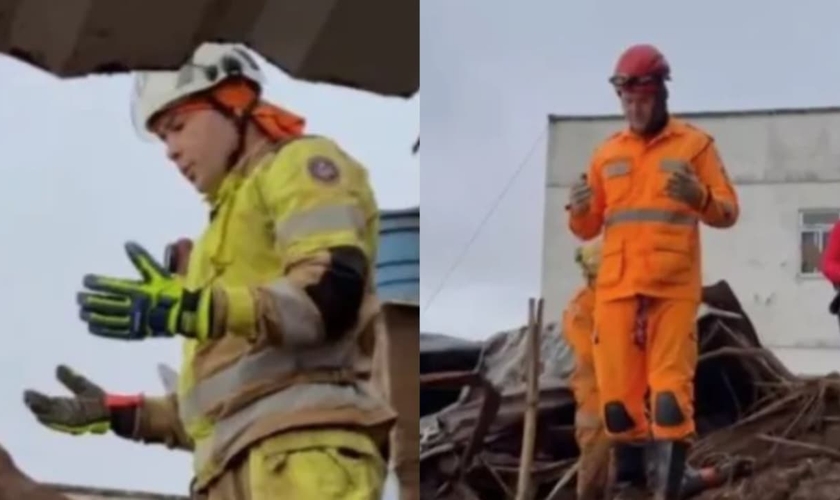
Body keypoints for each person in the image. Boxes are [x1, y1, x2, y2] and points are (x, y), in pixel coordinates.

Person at [25, 43, 396, 500]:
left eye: (178, 127)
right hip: (239, 469)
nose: (171, 151)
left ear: (235, 101)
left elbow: (329, 295)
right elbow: (227, 403)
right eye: (162, 138)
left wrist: (196, 308)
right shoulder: (219, 231)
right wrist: (121, 413)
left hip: (304, 458)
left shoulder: (297, 166)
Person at [566, 44, 739, 499]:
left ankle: (667, 488)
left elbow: (728, 211)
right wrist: (579, 210)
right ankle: (629, 487)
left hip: (671, 289)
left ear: (660, 94)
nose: (634, 110)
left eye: (641, 100)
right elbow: (586, 228)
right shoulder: (606, 155)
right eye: (626, 101)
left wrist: (700, 197)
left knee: (668, 400)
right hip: (617, 290)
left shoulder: (695, 147)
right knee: (618, 405)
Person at [563, 241, 611, 500]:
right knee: (594, 474)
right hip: (596, 400)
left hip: (622, 398)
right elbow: (587, 352)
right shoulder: (581, 307)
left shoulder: (614, 301)